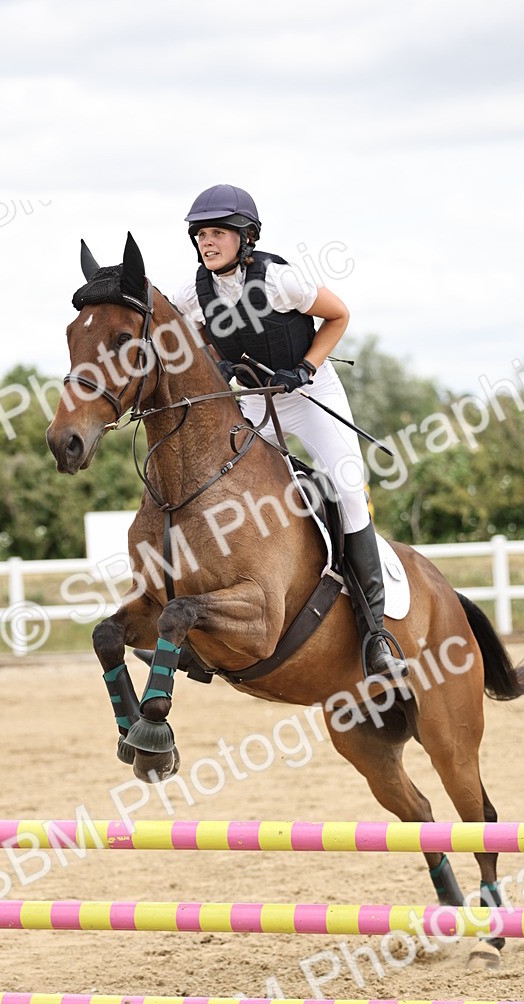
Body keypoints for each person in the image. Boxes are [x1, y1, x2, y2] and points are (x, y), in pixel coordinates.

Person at [172, 183, 407, 680]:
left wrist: (304, 368)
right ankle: (206, 629)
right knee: (225, 492)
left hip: (311, 395)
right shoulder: (192, 293)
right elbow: (189, 342)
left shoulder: (280, 280)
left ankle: (376, 633)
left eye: (217, 233)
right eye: (201, 235)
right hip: (256, 401)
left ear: (246, 237)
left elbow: (339, 315)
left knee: (345, 488)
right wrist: (216, 360)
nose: (206, 243)